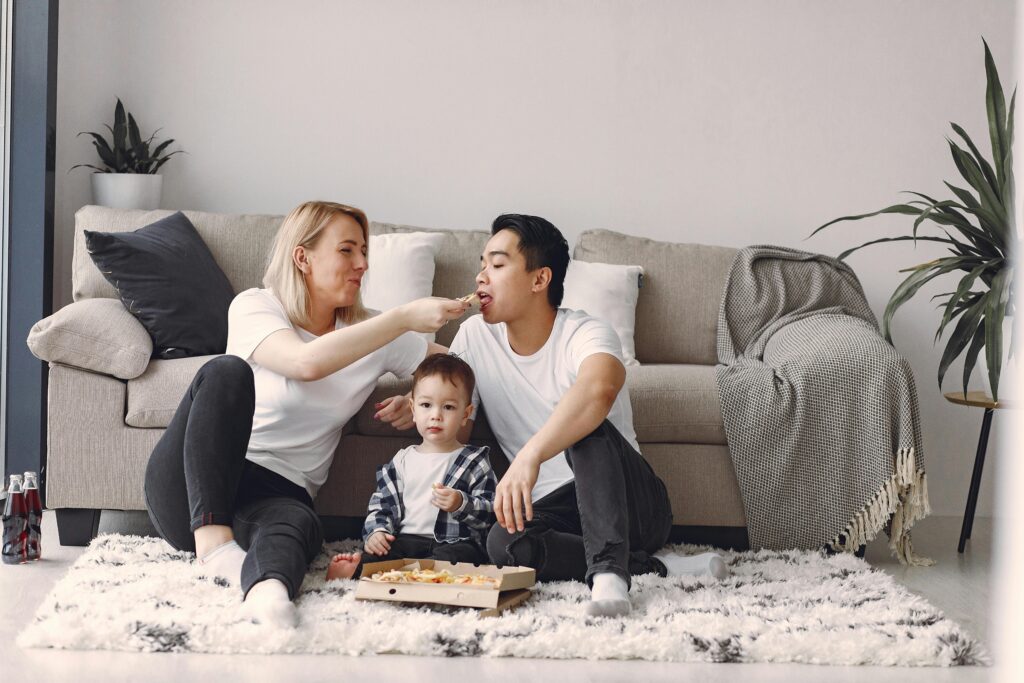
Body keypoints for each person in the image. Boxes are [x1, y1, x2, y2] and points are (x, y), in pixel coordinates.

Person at [143, 200, 469, 628]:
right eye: (348, 250)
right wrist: (404, 315)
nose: (363, 264)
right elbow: (305, 363)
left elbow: (459, 369)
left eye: (364, 252)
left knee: (298, 523)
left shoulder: (374, 333)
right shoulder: (256, 306)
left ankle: (268, 594)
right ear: (303, 257)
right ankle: (215, 549)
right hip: (193, 490)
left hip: (279, 492)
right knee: (225, 371)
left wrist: (421, 396)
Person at [449, 214, 728, 618]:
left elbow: (598, 390)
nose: (481, 277)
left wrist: (530, 456)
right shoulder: (475, 336)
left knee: (585, 427)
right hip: (556, 511)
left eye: (496, 264)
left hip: (632, 504)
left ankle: (610, 579)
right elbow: (449, 403)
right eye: (481, 265)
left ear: (539, 279)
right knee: (504, 545)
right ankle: (652, 566)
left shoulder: (586, 331)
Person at [325, 353, 495, 581]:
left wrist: (460, 503)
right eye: (426, 405)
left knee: (463, 557)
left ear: (465, 414)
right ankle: (355, 569)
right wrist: (378, 532)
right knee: (381, 554)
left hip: (453, 543)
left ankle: (423, 575)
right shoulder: (402, 460)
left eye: (448, 407)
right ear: (413, 410)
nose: (435, 415)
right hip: (407, 541)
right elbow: (383, 504)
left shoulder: (475, 460)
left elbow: (489, 513)